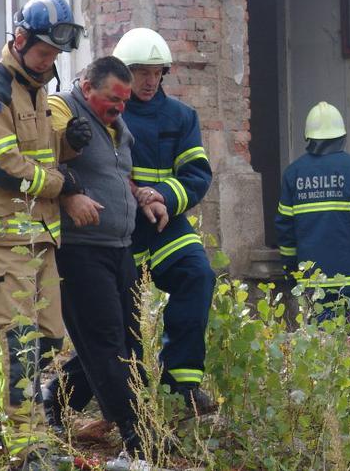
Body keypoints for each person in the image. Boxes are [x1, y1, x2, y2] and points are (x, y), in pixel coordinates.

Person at [0, 0, 90, 457]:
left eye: (55, 55)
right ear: (21, 39)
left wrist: (69, 143)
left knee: (48, 339)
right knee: (19, 346)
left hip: (36, 238)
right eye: (44, 52)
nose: (49, 62)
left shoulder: (35, 89)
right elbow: (4, 168)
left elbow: (36, 148)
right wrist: (63, 183)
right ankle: (28, 446)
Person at [42, 56, 164, 454]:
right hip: (81, 250)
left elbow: (117, 173)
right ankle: (137, 436)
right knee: (107, 344)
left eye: (125, 100)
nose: (120, 107)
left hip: (120, 247)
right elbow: (45, 148)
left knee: (128, 341)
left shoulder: (116, 125)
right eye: (113, 98)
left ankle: (54, 399)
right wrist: (69, 193)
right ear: (86, 87)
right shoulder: (63, 107)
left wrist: (140, 194)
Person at [112, 27, 217, 414]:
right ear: (124, 72)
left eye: (157, 73)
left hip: (164, 223)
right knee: (118, 312)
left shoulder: (182, 117)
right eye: (142, 72)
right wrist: (139, 197)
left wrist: (164, 197)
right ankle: (124, 399)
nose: (150, 81)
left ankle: (182, 387)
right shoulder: (109, 114)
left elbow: (196, 175)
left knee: (198, 275)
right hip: (121, 227)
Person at [275, 101, 350, 333]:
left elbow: (285, 228)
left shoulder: (293, 174)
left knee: (320, 342)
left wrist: (290, 267)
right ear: (342, 136)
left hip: (313, 282)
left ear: (308, 137)